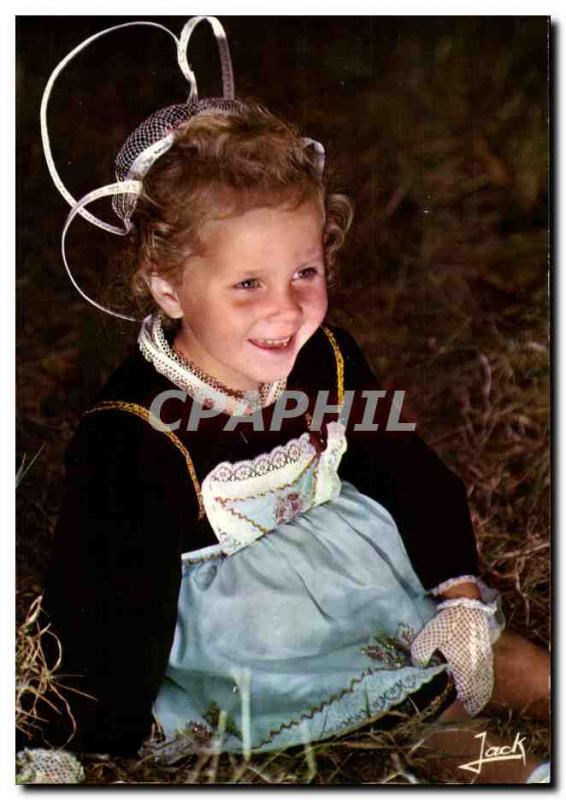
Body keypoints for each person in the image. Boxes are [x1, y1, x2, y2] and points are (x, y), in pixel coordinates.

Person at [22, 17, 549, 785]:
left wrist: (460, 592)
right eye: (247, 285)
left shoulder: (326, 358)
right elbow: (107, 592)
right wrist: (81, 736)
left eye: (305, 272)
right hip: (262, 634)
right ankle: (527, 775)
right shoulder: (134, 433)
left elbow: (404, 464)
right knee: (426, 717)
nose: (286, 310)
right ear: (167, 285)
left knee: (508, 659)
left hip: (358, 569)